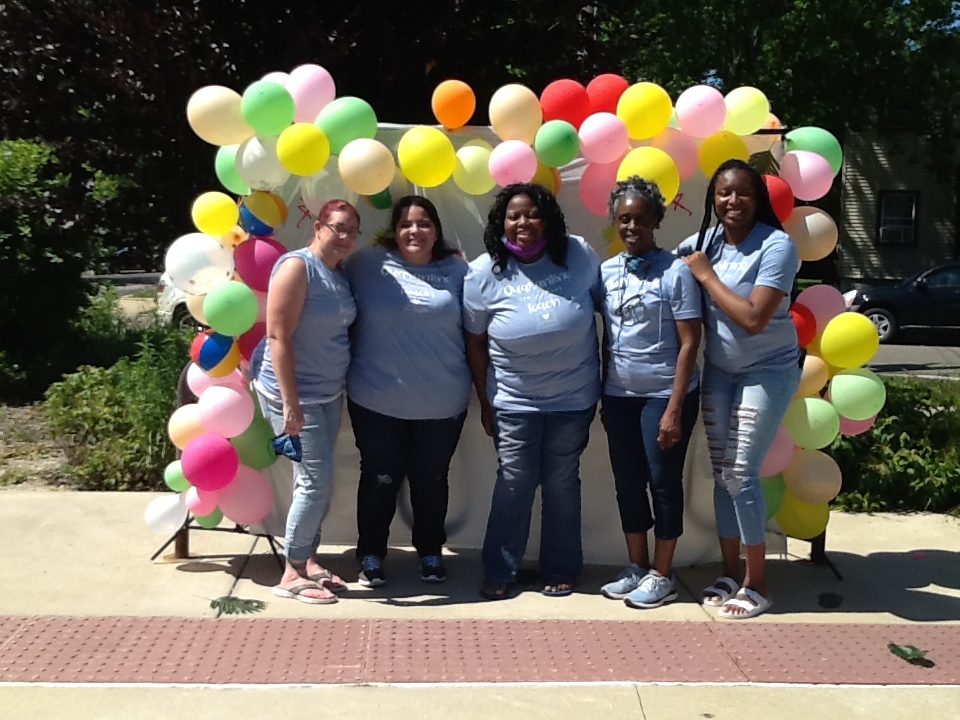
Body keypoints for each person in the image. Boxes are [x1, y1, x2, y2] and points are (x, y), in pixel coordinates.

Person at [463, 183, 601, 601]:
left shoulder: (579, 254)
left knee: (561, 481)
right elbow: (474, 340)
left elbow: (606, 314)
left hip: (573, 398)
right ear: (501, 223)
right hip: (514, 400)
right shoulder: (483, 272)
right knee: (515, 482)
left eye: (532, 214)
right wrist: (486, 402)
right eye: (513, 215)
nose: (523, 223)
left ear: (549, 219)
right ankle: (500, 568)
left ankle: (560, 568)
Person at [677, 159, 801, 620]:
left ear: (758, 199)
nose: (732, 202)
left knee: (742, 471)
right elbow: (667, 267)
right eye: (723, 193)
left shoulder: (777, 246)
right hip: (721, 372)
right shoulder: (704, 242)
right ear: (713, 198)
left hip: (767, 369)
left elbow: (753, 319)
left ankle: (758, 584)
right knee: (722, 472)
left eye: (742, 193)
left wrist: (706, 275)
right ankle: (731, 574)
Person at [342, 195, 470, 587]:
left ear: (437, 231)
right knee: (379, 478)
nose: (415, 231)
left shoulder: (459, 270)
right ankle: (371, 554)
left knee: (431, 479)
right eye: (406, 224)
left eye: (424, 224)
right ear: (394, 231)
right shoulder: (365, 264)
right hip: (375, 399)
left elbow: (478, 330)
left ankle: (430, 552)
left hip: (442, 401)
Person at [598, 176, 702, 609]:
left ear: (657, 219)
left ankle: (663, 574)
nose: (631, 227)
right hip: (619, 396)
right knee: (627, 483)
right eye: (624, 219)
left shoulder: (675, 271)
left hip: (665, 395)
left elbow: (690, 343)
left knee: (662, 483)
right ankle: (637, 566)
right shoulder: (605, 271)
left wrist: (674, 409)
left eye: (640, 219)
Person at [253, 199, 359, 605]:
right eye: (338, 227)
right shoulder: (298, 267)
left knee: (314, 481)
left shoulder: (338, 273)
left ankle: (309, 560)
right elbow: (278, 337)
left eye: (352, 229)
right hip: (295, 396)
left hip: (327, 393)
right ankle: (291, 572)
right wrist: (291, 403)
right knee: (315, 481)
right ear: (318, 227)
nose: (345, 236)